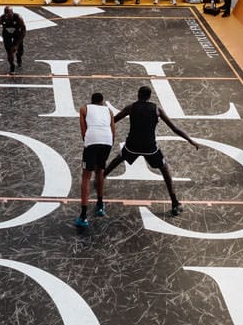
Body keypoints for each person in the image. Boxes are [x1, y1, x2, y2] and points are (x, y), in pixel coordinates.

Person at [105, 85, 199, 216]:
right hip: (150, 147)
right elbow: (175, 128)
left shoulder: (131, 108)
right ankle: (174, 202)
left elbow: (112, 121)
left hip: (133, 145)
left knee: (119, 158)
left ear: (138, 95)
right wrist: (190, 140)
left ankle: (101, 177)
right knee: (165, 170)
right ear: (149, 97)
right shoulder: (156, 109)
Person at [76, 92, 115, 228]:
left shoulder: (84, 109)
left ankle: (83, 215)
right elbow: (113, 130)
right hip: (107, 141)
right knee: (100, 172)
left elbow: (83, 130)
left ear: (91, 101)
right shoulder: (109, 111)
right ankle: (99, 205)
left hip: (92, 140)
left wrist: (88, 143)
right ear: (102, 102)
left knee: (86, 176)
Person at [0, 6, 26, 74]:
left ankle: (18, 56)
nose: (7, 16)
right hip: (7, 34)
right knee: (9, 52)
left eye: (9, 14)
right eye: (6, 14)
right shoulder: (0, 19)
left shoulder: (18, 18)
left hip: (17, 33)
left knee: (20, 51)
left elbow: (23, 31)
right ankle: (12, 66)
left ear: (12, 12)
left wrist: (17, 45)